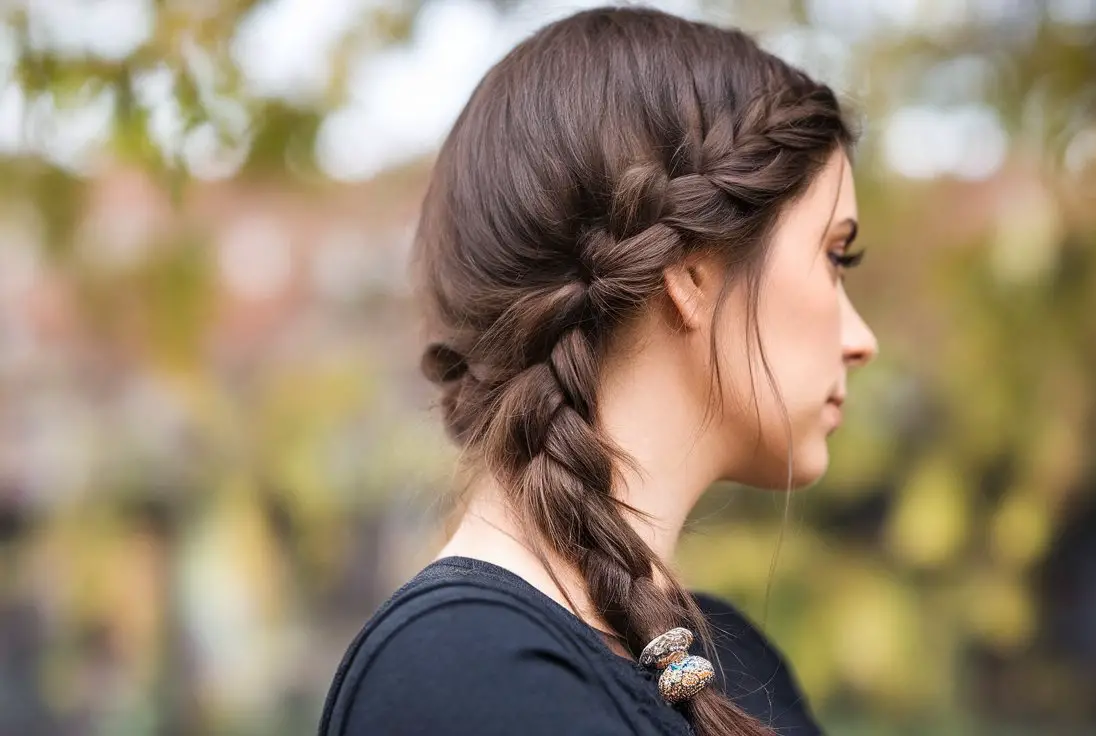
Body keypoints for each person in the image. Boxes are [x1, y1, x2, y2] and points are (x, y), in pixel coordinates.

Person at [318, 6, 876, 735]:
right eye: (834, 257)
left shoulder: (729, 664)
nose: (861, 339)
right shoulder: (463, 677)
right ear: (689, 273)